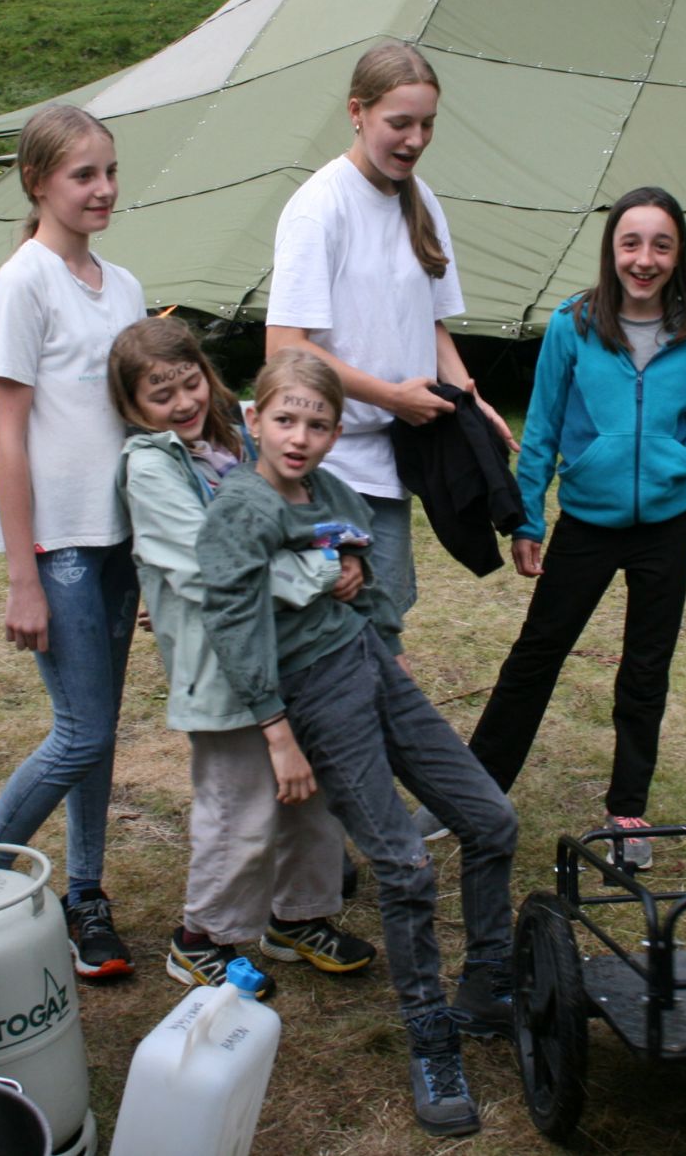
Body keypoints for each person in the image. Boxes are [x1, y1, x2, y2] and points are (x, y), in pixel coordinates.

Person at [197, 349, 518, 1138]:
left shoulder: (334, 490)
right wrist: (278, 733)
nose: (298, 437)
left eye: (316, 424)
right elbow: (234, 624)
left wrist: (371, 609)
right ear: (255, 420)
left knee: (492, 820)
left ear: (337, 433)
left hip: (371, 660)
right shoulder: (240, 509)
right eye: (284, 419)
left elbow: (363, 570)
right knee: (405, 866)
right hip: (313, 689)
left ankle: (487, 984)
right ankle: (431, 1040)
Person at [440, 187, 686, 868]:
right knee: (536, 654)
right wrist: (527, 519)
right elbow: (544, 428)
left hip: (666, 527)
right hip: (586, 522)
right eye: (631, 243)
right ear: (612, 250)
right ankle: (473, 790)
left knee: (646, 669)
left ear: (678, 254)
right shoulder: (573, 324)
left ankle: (627, 809)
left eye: (661, 245)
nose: (645, 259)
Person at [108, 317, 378, 998]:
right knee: (241, 807)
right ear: (132, 405)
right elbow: (213, 570)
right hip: (222, 663)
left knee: (308, 791)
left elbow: (294, 519)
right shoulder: (150, 467)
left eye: (190, 382)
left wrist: (345, 554)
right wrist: (322, 573)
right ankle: (203, 938)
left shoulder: (235, 440)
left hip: (294, 649)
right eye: (161, 394)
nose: (184, 402)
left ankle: (299, 916)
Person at [265, 40, 514, 624]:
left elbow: (430, 323)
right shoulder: (319, 208)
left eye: (427, 124)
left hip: (393, 462)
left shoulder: (420, 200)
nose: (415, 140)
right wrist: (391, 397)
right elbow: (285, 349)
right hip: (327, 465)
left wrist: (471, 401)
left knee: (382, 619)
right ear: (357, 111)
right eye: (399, 124)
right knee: (332, 627)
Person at [0, 104, 145, 980]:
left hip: (120, 541)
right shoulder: (24, 283)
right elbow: (6, 435)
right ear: (38, 181)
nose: (104, 188)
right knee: (80, 731)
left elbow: (137, 419)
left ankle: (85, 892)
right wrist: (23, 574)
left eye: (110, 171)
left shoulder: (122, 286)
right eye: (84, 174)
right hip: (61, 547)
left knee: (100, 729)